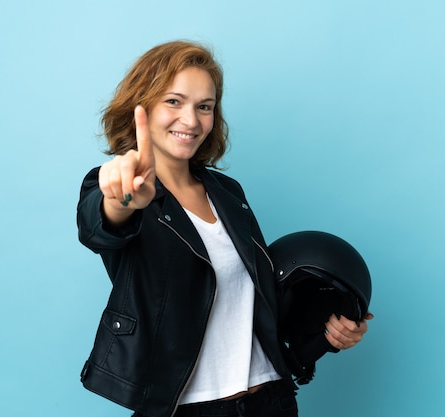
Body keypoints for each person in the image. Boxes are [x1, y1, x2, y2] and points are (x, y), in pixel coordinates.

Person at [77, 40, 372, 417]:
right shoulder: (115, 188)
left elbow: (257, 308)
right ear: (143, 106)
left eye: (205, 107)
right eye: (173, 101)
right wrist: (124, 200)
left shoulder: (228, 193)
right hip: (187, 408)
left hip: (271, 400)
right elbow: (98, 227)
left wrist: (326, 333)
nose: (191, 120)